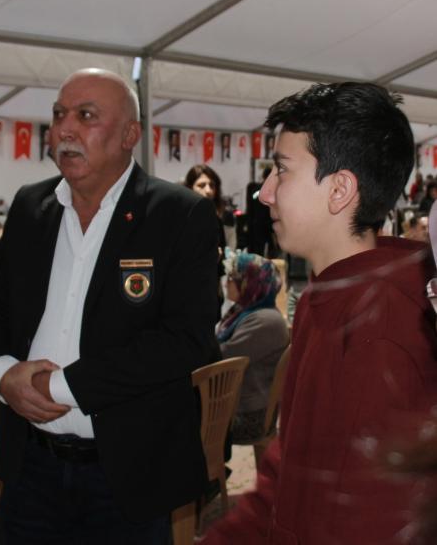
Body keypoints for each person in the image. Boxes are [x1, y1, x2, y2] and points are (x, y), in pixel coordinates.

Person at [0, 68, 218, 544]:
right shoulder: (30, 207)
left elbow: (186, 340)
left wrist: (61, 386)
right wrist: (2, 375)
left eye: (86, 115)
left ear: (130, 135)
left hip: (127, 474)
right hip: (31, 468)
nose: (65, 129)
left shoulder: (177, 214)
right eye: (59, 115)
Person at [201, 82, 437, 544]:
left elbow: (372, 519)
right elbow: (289, 469)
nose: (265, 193)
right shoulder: (328, 296)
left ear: (340, 190)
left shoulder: (385, 327)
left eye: (282, 171)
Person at [216, 250, 289, 442]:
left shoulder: (264, 320)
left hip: (250, 415)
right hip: (240, 405)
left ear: (249, 284)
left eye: (232, 278)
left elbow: (221, 357)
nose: (226, 283)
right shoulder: (246, 311)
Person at [184, 164, 227, 316]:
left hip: (211, 291)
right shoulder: (181, 220)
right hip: (187, 293)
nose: (208, 191)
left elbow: (221, 258)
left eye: (212, 185)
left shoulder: (216, 219)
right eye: (201, 185)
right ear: (190, 188)